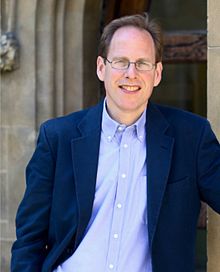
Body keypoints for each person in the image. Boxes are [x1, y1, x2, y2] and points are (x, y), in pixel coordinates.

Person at [11, 13, 220, 272]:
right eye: (121, 62)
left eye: (142, 63)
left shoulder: (192, 137)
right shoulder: (58, 138)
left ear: (157, 73)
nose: (131, 74)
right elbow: (29, 239)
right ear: (101, 68)